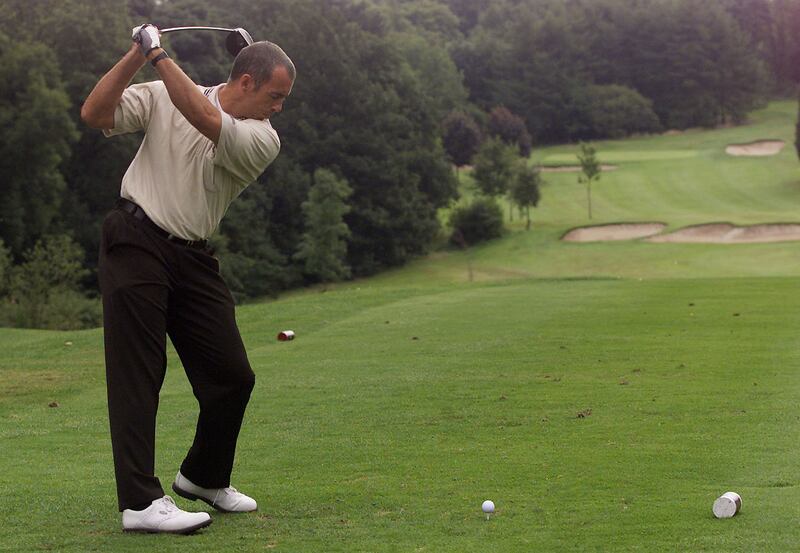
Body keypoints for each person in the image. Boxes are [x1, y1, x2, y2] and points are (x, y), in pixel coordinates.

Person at [80, 24, 295, 534]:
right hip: (134, 240)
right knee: (140, 373)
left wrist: (157, 52)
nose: (280, 107)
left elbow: (202, 115)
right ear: (245, 82)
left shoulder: (263, 138)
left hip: (192, 257)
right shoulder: (160, 92)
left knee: (232, 375)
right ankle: (139, 503)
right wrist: (137, 53)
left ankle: (203, 477)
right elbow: (95, 113)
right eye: (276, 96)